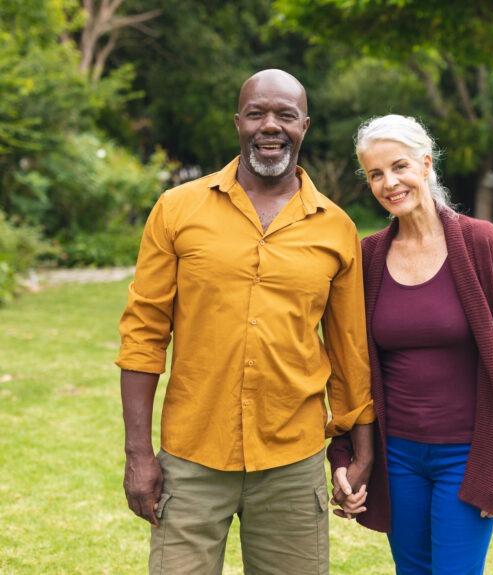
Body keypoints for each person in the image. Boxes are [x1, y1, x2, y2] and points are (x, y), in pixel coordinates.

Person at [116, 69, 374, 575]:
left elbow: (349, 349)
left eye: (284, 115)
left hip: (292, 462)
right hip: (191, 458)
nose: (269, 126)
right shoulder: (177, 209)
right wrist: (137, 455)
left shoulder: (336, 227)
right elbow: (143, 335)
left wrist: (359, 450)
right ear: (238, 122)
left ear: (305, 124)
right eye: (257, 114)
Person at [329, 114, 493, 575]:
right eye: (375, 174)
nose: (389, 182)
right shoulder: (369, 257)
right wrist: (344, 452)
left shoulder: (482, 244)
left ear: (425, 164)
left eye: (399, 166)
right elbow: (350, 363)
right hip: (397, 456)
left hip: (466, 455)